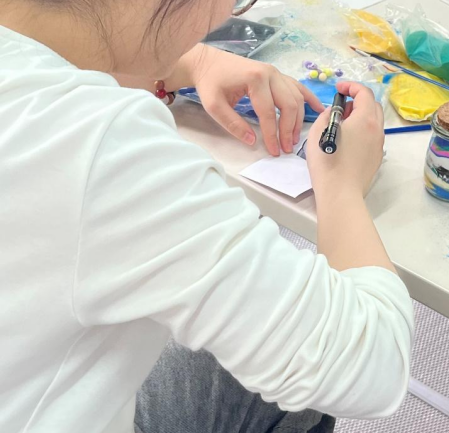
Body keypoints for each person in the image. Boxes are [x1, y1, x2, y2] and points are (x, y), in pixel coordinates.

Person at [0, 0, 414, 432]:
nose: (227, 17)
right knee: (291, 376)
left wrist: (189, 62)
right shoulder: (103, 148)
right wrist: (341, 183)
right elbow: (371, 366)